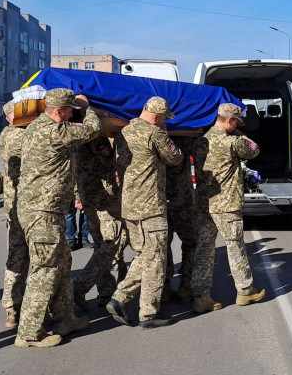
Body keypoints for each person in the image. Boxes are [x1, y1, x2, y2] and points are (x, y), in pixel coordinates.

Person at [12, 88, 101, 348]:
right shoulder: (56, 131)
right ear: (60, 111)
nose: (73, 113)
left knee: (62, 263)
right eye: (70, 110)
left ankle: (64, 318)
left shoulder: (34, 128)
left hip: (41, 210)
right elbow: (92, 129)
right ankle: (29, 333)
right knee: (46, 270)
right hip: (42, 213)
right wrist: (87, 108)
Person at [106, 96, 183, 329]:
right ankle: (148, 313)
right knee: (156, 258)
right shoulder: (155, 134)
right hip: (150, 206)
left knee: (146, 255)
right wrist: (165, 134)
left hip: (129, 206)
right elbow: (176, 158)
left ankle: (120, 299)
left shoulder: (124, 133)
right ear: (158, 117)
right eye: (162, 120)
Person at [191, 103, 266, 312]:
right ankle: (245, 291)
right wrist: (242, 133)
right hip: (226, 206)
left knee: (204, 251)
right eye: (237, 121)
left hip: (204, 205)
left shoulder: (200, 141)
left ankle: (201, 296)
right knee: (235, 248)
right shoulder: (232, 142)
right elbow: (254, 150)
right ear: (231, 120)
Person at [72, 133, 125, 309]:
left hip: (89, 198)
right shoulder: (95, 137)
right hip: (104, 199)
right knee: (109, 244)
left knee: (101, 245)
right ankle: (79, 287)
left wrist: (78, 195)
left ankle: (106, 291)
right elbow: (108, 159)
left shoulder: (74, 137)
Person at [0, 100, 29, 330]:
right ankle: (22, 310)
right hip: (25, 205)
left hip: (13, 206)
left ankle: (12, 309)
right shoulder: (17, 136)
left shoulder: (6, 134)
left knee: (16, 258)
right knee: (29, 259)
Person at [165, 135, 198, 299]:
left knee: (163, 244)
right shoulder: (185, 140)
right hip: (182, 200)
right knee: (191, 242)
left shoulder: (155, 139)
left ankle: (165, 286)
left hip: (161, 201)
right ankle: (186, 284)